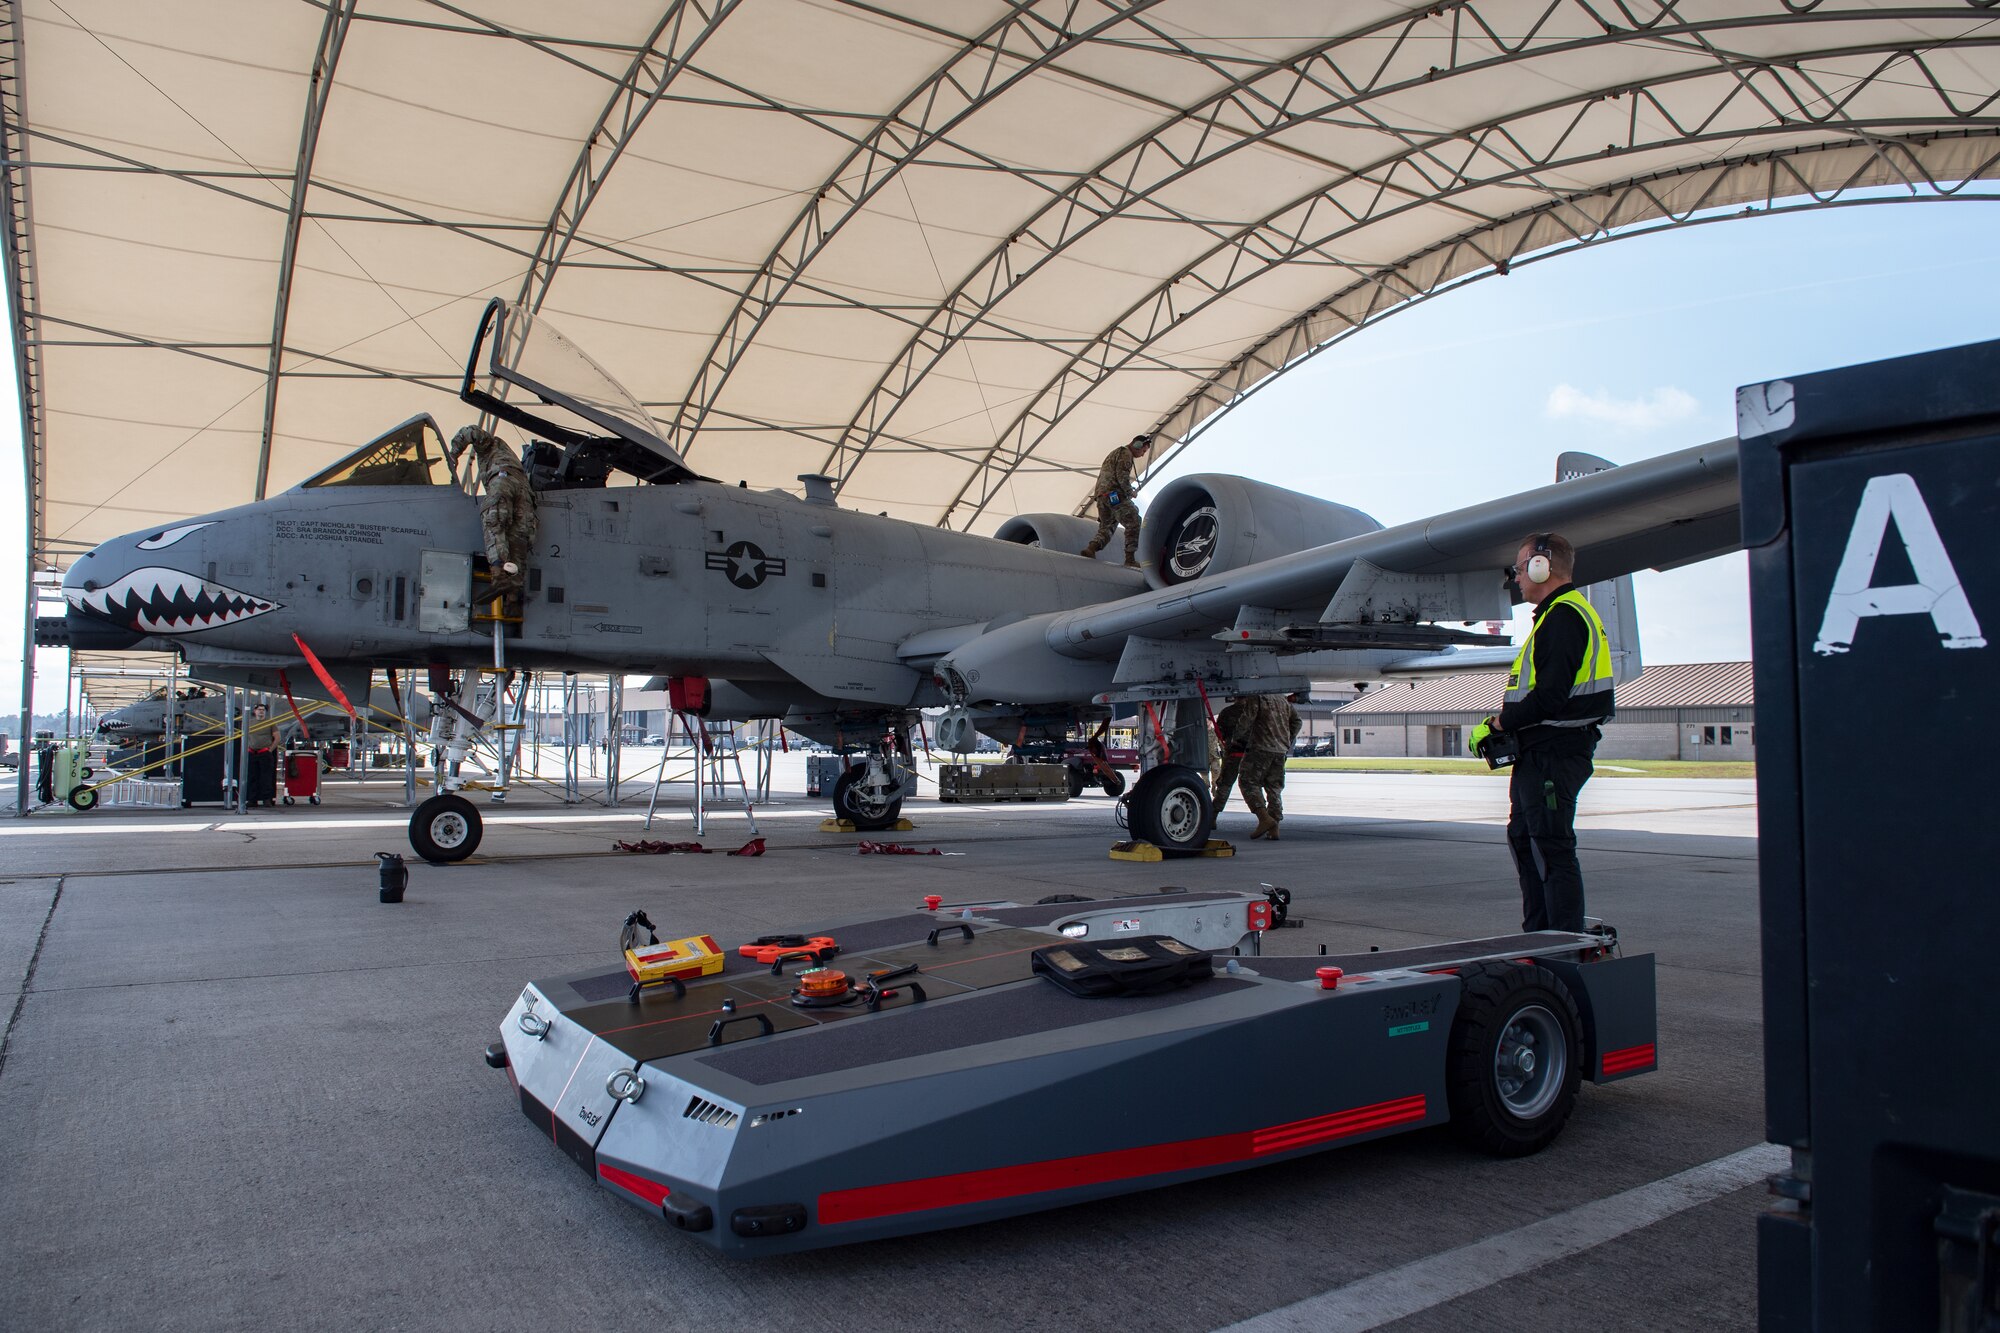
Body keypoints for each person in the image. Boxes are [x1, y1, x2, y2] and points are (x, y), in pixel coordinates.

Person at [1470, 532, 1615, 934]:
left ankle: (1561, 943)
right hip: (1539, 752)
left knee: (1550, 846)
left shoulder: (1565, 616)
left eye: (1519, 568)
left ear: (1541, 566)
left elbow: (1550, 696)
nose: (1515, 577)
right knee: (1525, 839)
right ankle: (1537, 937)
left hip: (1555, 751)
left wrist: (1498, 724)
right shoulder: (1555, 616)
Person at [449, 425, 537, 605]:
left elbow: (470, 432)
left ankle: (498, 575)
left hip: (502, 479)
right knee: (518, 538)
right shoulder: (509, 456)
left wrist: (453, 454)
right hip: (525, 491)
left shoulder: (489, 445)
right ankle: (513, 595)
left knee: (494, 521)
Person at [1078, 433, 1153, 567]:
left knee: (1107, 526)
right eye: (1143, 450)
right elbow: (1122, 476)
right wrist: (1131, 492)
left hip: (1102, 497)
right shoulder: (1126, 455)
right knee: (1134, 521)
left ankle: (1091, 548)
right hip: (1114, 496)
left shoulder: (1115, 453)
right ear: (1138, 445)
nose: (1142, 454)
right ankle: (1129, 559)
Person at [1237, 691, 1301, 840]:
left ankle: (1263, 817)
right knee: (1274, 787)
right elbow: (1297, 721)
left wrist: (1236, 738)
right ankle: (1274, 827)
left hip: (1261, 747)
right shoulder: (1282, 700)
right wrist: (1287, 738)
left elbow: (1247, 719)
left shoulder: (1259, 696)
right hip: (1280, 750)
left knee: (1247, 781)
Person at [1211, 695, 1249, 813]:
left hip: (1233, 753)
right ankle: (1264, 816)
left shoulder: (1227, 712)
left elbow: (1219, 731)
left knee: (1224, 786)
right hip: (1251, 754)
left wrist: (1228, 741)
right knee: (1252, 786)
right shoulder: (1253, 712)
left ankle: (1213, 815)